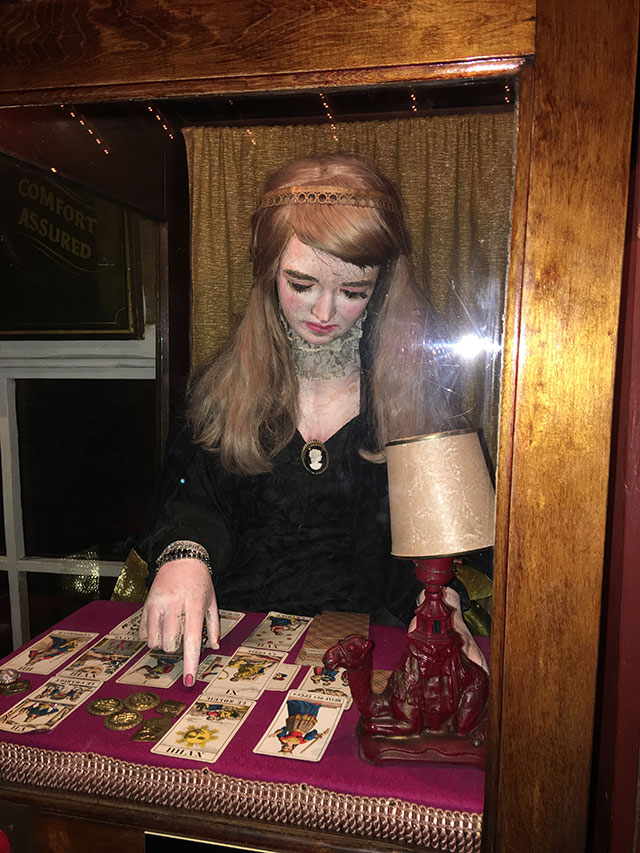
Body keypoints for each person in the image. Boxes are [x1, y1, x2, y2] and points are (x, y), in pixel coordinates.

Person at [139, 153, 481, 686]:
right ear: (268, 271)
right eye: (301, 284)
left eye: (352, 292)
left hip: (372, 646)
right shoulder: (219, 388)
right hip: (232, 637)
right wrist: (186, 554)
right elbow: (191, 498)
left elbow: (442, 540)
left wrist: (443, 600)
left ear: (382, 287)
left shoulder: (416, 395)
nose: (324, 313)